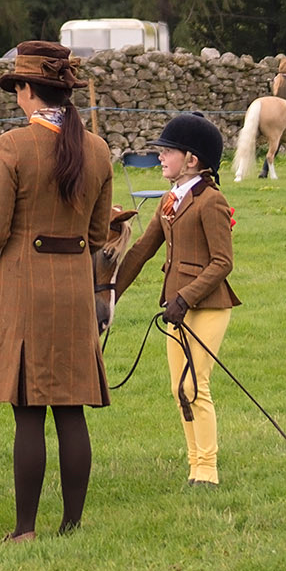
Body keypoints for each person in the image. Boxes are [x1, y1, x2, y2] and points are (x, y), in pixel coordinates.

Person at [0, 41, 113, 541]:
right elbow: (97, 234)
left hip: (25, 289)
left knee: (29, 415)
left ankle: (25, 529)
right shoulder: (98, 150)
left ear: (28, 91)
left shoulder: (14, 146)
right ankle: (72, 525)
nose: (17, 98)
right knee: (70, 410)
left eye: (18, 89)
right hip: (73, 290)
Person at [112, 112, 239, 488]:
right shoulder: (170, 199)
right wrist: (108, 292)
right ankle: (193, 467)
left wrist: (184, 296)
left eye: (167, 152)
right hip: (177, 309)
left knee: (194, 385)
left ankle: (208, 470)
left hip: (209, 306)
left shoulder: (211, 201)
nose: (160, 158)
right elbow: (141, 251)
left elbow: (222, 262)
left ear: (192, 160)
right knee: (177, 389)